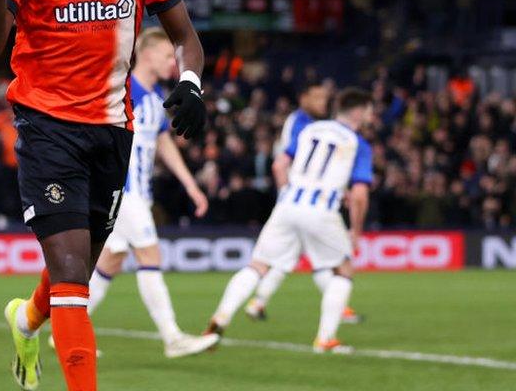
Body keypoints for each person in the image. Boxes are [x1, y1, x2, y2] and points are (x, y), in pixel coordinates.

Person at [0, 0, 207, 390]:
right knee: (75, 276)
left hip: (112, 129)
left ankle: (26, 321)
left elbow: (184, 34)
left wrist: (192, 81)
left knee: (72, 269)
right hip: (46, 123)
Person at [80, 28, 218, 357]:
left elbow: (163, 143)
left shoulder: (156, 98)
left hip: (138, 192)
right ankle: (173, 337)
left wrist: (190, 185)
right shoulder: (121, 88)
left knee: (110, 261)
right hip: (122, 190)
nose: (174, 62)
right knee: (149, 255)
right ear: (147, 53)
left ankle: (67, 327)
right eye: (169, 55)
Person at [205, 88, 374, 353]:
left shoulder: (310, 131)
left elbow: (279, 166)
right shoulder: (358, 143)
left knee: (258, 265)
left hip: (288, 203)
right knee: (343, 270)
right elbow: (361, 196)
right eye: (368, 111)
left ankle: (221, 316)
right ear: (358, 112)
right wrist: (356, 230)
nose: (370, 117)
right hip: (321, 209)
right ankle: (325, 339)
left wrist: (288, 193)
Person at [244, 81, 362, 324]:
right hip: (302, 198)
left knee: (293, 257)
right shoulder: (302, 124)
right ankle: (338, 312)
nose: (322, 103)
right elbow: (299, 161)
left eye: (324, 98)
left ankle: (258, 302)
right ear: (304, 98)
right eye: (317, 97)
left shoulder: (308, 123)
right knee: (322, 259)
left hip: (301, 197)